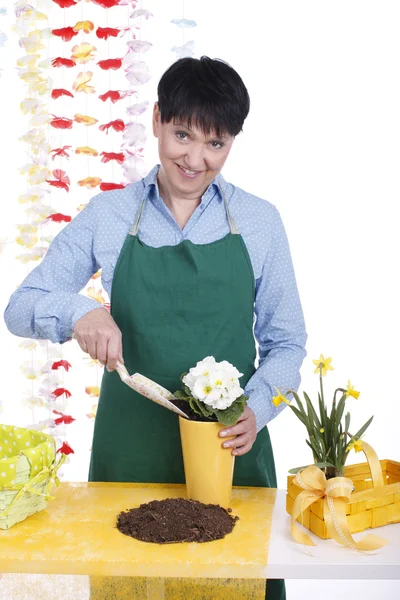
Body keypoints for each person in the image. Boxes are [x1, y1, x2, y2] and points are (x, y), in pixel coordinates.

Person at [5, 56, 307, 599]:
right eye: (182, 135)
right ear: (158, 119)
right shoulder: (109, 214)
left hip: (227, 457)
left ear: (232, 144)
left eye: (215, 144)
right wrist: (81, 311)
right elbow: (21, 306)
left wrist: (258, 410)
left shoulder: (260, 221)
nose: (194, 159)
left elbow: (288, 343)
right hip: (131, 457)